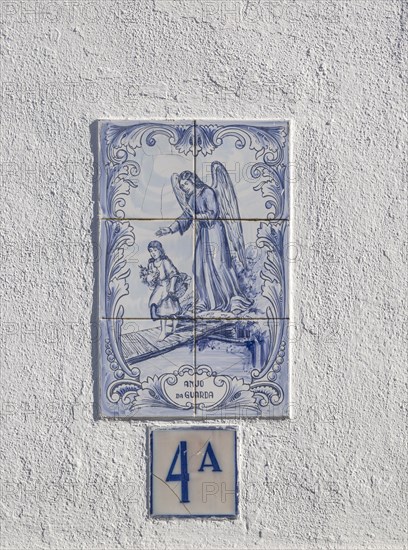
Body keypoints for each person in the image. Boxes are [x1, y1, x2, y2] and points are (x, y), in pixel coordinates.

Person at [156, 171, 251, 314]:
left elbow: (213, 213)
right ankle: (204, 301)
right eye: (181, 186)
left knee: (219, 265)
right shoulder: (191, 198)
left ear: (193, 181)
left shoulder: (208, 192)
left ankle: (233, 300)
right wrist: (169, 229)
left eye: (186, 184)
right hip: (204, 233)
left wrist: (196, 216)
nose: (184, 188)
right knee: (199, 268)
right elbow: (186, 217)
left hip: (215, 231)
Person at [140, 241, 188, 341]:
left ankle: (171, 329)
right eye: (150, 251)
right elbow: (152, 281)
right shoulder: (151, 264)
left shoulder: (165, 262)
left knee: (172, 311)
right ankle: (163, 331)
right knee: (160, 310)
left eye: (155, 250)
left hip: (168, 287)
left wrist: (171, 288)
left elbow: (174, 274)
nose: (153, 253)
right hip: (159, 289)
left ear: (160, 251)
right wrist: (149, 279)